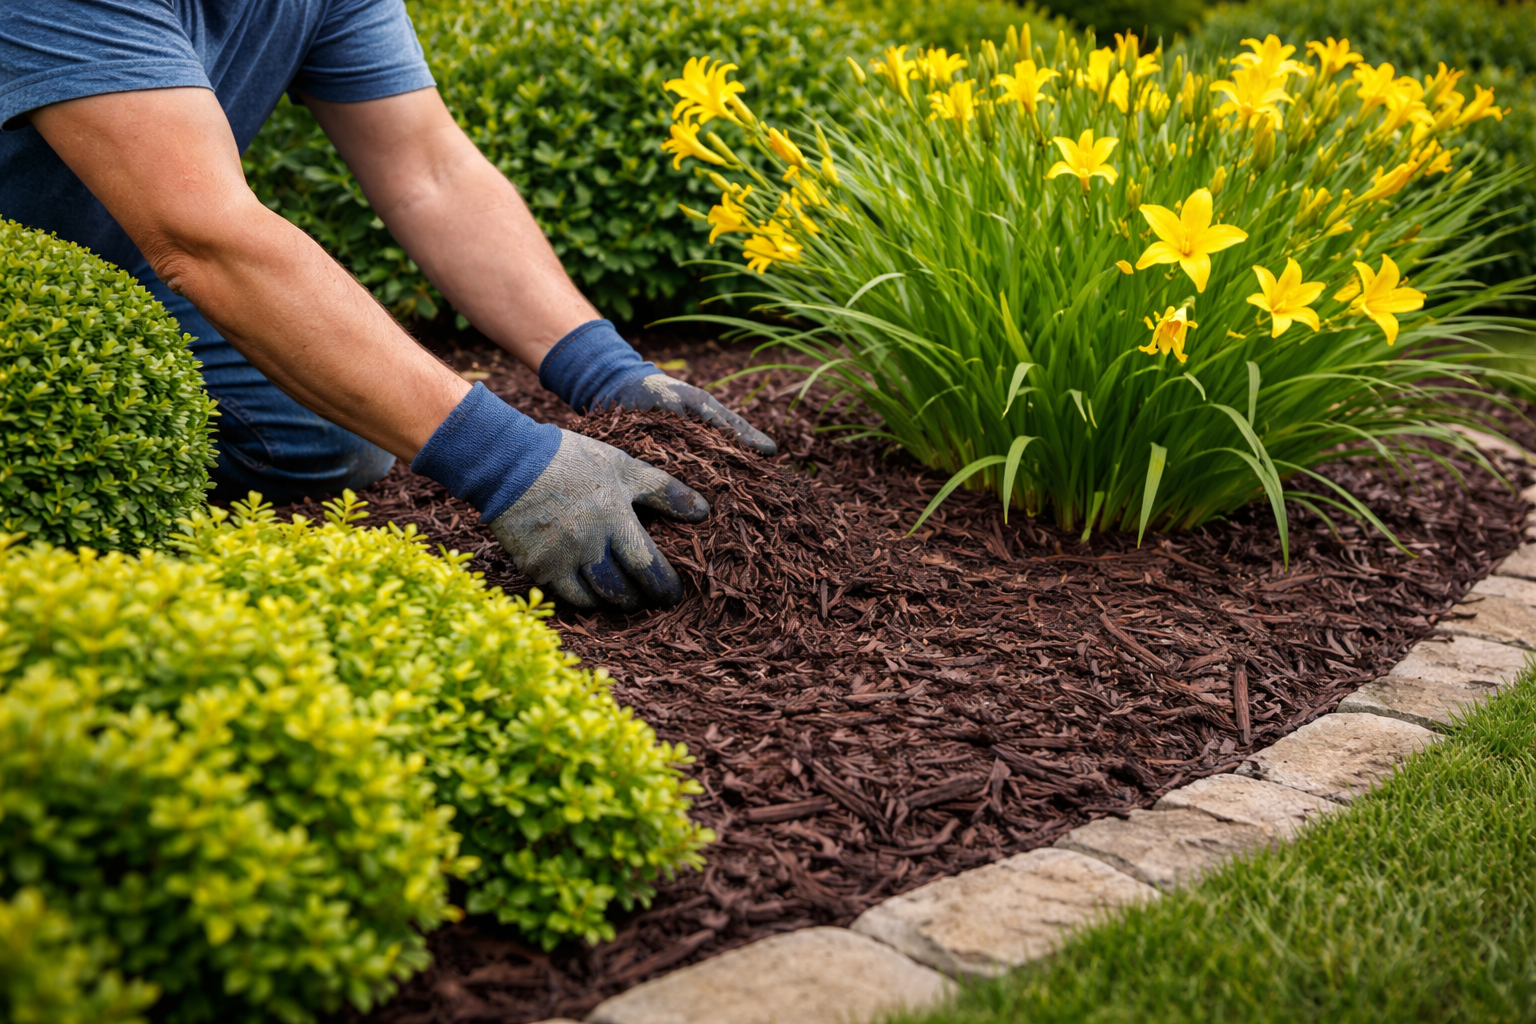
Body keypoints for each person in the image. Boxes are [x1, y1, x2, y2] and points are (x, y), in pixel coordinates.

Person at [0, 0, 776, 611]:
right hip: (24, 282)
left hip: (115, 267)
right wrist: (507, 461)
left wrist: (601, 369)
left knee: (331, 432)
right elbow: (202, 236)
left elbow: (428, 170)